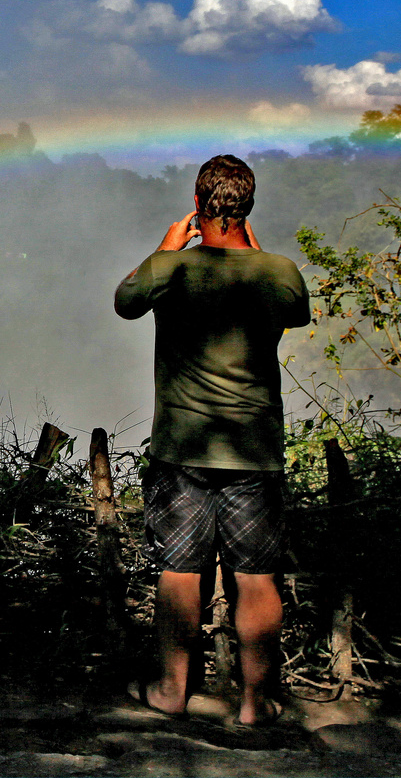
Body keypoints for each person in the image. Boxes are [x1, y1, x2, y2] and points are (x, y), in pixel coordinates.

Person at [114, 154, 310, 725]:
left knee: (179, 572)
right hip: (253, 451)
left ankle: (172, 691)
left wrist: (169, 245)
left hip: (182, 450)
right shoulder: (278, 271)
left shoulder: (171, 268)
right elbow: (294, 313)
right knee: (256, 576)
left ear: (197, 207)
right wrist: (252, 244)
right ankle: (254, 702)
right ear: (248, 208)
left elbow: (125, 301)